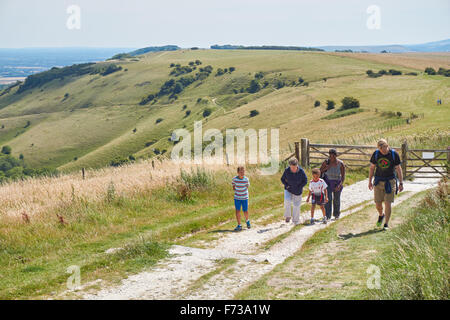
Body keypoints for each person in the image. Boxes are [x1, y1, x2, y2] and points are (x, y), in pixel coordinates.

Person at [368, 139, 404, 230]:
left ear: (387, 145)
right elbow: (372, 168)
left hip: (390, 181)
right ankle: (381, 215)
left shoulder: (393, 154)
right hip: (378, 181)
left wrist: (401, 183)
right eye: (380, 148)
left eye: (384, 147)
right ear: (378, 148)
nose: (383, 150)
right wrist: (369, 181)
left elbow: (398, 169)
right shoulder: (376, 154)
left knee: (388, 203)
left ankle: (386, 224)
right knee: (378, 204)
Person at [281, 158, 308, 225]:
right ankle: (288, 216)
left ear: (297, 165)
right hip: (288, 189)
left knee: (296, 205)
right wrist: (287, 185)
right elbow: (282, 179)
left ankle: (295, 220)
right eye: (291, 167)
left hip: (297, 190)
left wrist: (300, 186)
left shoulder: (301, 171)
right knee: (287, 200)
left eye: (294, 167)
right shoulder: (287, 170)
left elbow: (305, 180)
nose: (293, 169)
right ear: (289, 166)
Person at [320, 148, 345, 220]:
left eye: (333, 156)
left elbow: (343, 176)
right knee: (328, 199)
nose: (332, 158)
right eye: (330, 156)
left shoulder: (341, 164)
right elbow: (320, 171)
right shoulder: (326, 162)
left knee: (336, 199)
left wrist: (339, 185)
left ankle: (336, 214)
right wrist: (327, 167)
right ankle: (327, 215)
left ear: (336, 156)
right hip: (327, 182)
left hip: (337, 182)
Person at [232, 166, 250, 231]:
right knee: (237, 211)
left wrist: (243, 193)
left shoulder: (246, 179)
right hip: (237, 198)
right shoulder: (234, 179)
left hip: (245, 198)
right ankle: (239, 225)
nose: (242, 173)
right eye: (240, 172)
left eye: (243, 171)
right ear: (238, 172)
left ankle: (247, 221)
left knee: (245, 211)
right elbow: (233, 187)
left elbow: (247, 187)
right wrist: (238, 192)